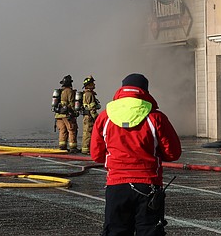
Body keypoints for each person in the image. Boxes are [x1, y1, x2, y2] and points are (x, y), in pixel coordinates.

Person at [91, 73, 181, 235]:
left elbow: (96, 155)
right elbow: (173, 153)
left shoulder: (105, 117)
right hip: (148, 186)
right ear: (145, 91)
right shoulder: (155, 117)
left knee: (115, 231)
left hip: (116, 186)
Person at [53, 75, 79, 152]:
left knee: (62, 130)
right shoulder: (69, 91)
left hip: (58, 115)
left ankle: (62, 146)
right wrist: (75, 112)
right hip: (67, 115)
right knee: (72, 130)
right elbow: (71, 103)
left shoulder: (60, 91)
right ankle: (73, 147)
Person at [80, 75, 101, 155]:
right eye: (93, 83)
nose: (94, 85)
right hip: (89, 116)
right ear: (89, 85)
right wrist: (96, 117)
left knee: (88, 132)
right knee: (88, 132)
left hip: (88, 116)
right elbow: (92, 108)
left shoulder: (88, 93)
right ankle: (86, 149)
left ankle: (86, 148)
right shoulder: (89, 94)